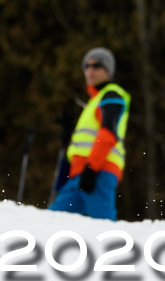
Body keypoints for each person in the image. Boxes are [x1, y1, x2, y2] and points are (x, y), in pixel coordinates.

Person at [49, 47, 131, 221]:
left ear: (108, 70)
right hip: (80, 174)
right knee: (52, 222)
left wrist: (92, 169)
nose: (90, 70)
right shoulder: (95, 100)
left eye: (96, 66)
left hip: (99, 172)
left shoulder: (112, 95)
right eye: (86, 66)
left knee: (104, 230)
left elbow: (108, 133)